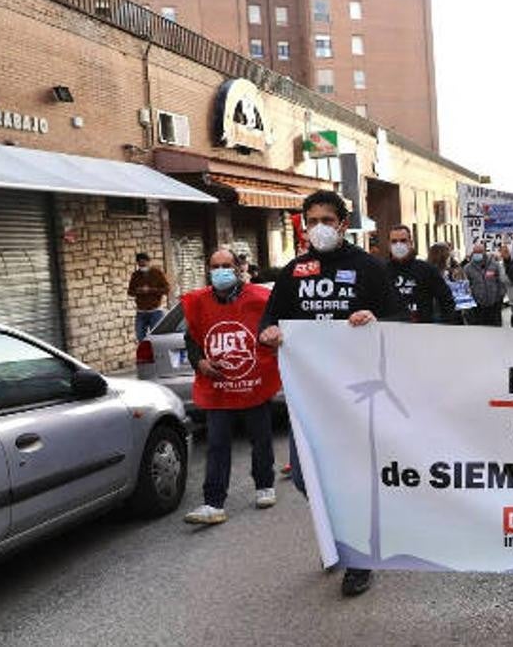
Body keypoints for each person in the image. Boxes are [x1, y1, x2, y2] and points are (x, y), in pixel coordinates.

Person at [258, 190, 399, 598]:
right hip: (309, 396)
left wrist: (374, 319)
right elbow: (270, 317)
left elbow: (398, 319)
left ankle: (356, 559)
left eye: (326, 219)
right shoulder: (295, 271)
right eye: (311, 219)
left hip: (357, 395)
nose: (318, 227)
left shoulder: (368, 267)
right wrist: (268, 332)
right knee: (306, 478)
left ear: (342, 223)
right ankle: (331, 532)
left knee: (352, 478)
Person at [181, 248, 280, 526]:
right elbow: (192, 340)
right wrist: (200, 363)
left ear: (238, 268)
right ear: (208, 270)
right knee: (217, 444)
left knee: (260, 437)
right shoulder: (198, 303)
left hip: (253, 382)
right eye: (215, 266)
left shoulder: (260, 299)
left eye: (226, 265)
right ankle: (213, 502)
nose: (221, 270)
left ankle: (264, 485)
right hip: (218, 387)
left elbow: (275, 328)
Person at [386, 225, 457, 324]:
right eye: (394, 241)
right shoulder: (381, 271)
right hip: (390, 331)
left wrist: (444, 327)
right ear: (389, 245)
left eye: (403, 241)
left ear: (410, 243)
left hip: (423, 331)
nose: (398, 245)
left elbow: (446, 300)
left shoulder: (427, 270)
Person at [128, 252, 172, 341]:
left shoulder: (157, 273)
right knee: (140, 336)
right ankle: (146, 354)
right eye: (140, 263)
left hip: (155, 311)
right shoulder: (135, 275)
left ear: (149, 262)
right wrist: (138, 291)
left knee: (156, 337)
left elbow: (167, 289)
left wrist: (150, 290)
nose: (142, 265)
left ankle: (156, 354)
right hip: (141, 312)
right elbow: (130, 292)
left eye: (144, 263)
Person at [464, 241, 509, 326]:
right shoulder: (468, 268)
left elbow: (501, 281)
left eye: (480, 252)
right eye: (475, 252)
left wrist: (500, 297)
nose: (477, 254)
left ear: (484, 252)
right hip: (478, 306)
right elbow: (466, 286)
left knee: (495, 328)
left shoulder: (494, 265)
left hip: (494, 304)